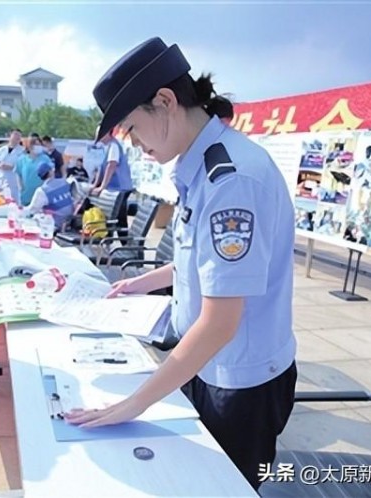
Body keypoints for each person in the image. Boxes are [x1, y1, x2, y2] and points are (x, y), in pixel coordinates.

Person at [65, 37, 297, 492]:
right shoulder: (199, 166)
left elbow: (219, 324)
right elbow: (205, 263)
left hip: (239, 381)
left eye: (132, 129)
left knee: (221, 488)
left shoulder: (231, 180)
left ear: (165, 102)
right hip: (206, 366)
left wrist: (136, 402)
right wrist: (142, 282)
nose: (133, 146)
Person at [91, 126, 134, 230]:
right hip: (115, 189)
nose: (98, 137)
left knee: (119, 218)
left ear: (107, 133)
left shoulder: (114, 145)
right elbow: (101, 169)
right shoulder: (107, 147)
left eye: (100, 134)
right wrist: (94, 185)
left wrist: (101, 187)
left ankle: (125, 244)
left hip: (120, 188)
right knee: (116, 218)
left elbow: (111, 166)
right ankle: (123, 243)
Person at [24, 162, 74, 230]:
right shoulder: (64, 182)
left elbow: (32, 210)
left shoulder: (42, 191)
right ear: (50, 172)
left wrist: (21, 209)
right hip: (70, 221)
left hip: (55, 224)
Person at [15, 135, 53, 206]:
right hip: (26, 195)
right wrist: (20, 186)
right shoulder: (21, 160)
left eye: (39, 145)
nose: (38, 147)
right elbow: (18, 174)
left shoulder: (45, 158)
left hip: (41, 195)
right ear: (30, 146)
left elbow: (51, 173)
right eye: (36, 145)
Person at [0, 128, 25, 204]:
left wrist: (11, 167)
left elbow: (23, 166)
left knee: (14, 204)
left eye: (19, 136)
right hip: (1, 180)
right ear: (10, 135)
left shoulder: (22, 151)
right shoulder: (2, 149)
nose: (17, 137)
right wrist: (0, 165)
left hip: (14, 182)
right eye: (15, 134)